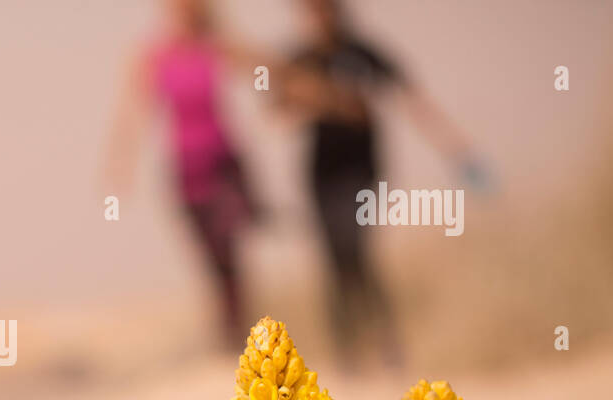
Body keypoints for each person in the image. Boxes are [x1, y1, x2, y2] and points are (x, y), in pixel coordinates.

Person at [278, 0, 480, 364]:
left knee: (357, 248)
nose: (320, 17)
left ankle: (387, 342)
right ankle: (348, 351)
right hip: (321, 176)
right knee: (334, 258)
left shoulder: (363, 53)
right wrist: (316, 102)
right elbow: (277, 111)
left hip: (363, 173)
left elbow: (412, 99)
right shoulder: (299, 59)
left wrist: (458, 150)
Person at [105, 0, 258, 350]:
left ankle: (241, 335)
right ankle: (228, 333)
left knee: (229, 248)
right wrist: (119, 164)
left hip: (224, 166)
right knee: (209, 255)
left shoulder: (216, 46)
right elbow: (132, 114)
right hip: (186, 173)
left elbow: (264, 67)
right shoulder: (153, 57)